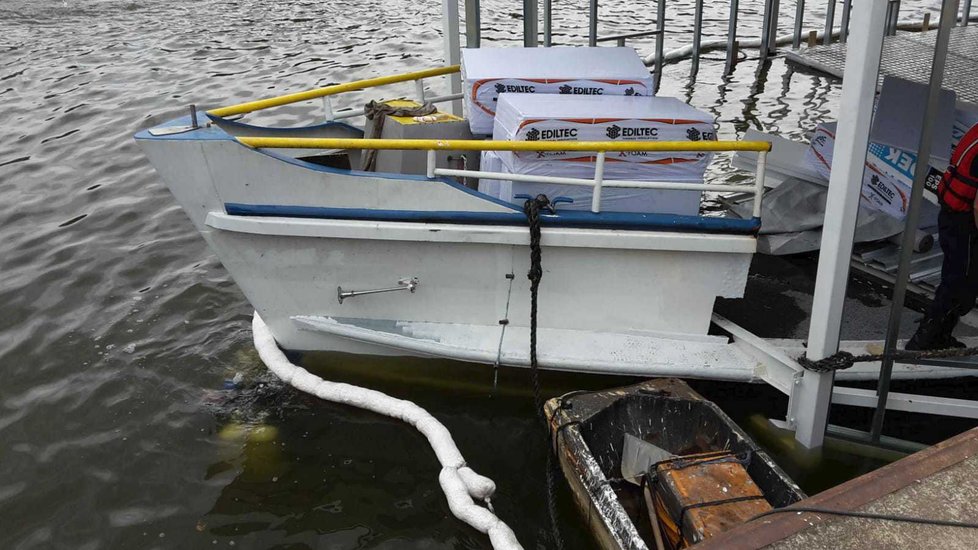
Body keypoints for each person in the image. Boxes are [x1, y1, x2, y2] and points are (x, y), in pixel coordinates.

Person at [907, 122, 978, 350]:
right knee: (961, 284)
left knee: (956, 278)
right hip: (965, 222)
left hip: (951, 216)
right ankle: (925, 340)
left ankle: (940, 335)